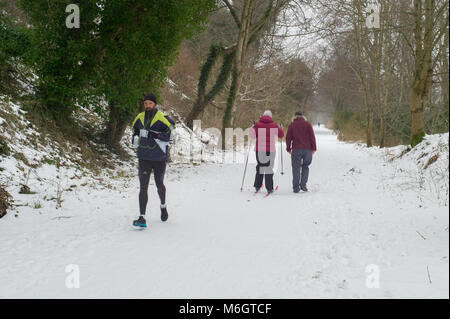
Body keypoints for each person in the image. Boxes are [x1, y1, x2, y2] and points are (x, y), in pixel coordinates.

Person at [131, 93, 175, 228]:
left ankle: (163, 205)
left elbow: (170, 136)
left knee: (159, 184)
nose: (147, 106)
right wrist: (135, 137)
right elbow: (135, 131)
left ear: (154, 104)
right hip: (144, 157)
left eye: (150, 103)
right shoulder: (139, 117)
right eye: (145, 103)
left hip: (158, 157)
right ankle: (142, 217)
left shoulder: (162, 118)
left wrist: (155, 134)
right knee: (143, 187)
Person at [250, 110, 284, 194]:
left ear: (263, 115)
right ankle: (269, 188)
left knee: (260, 166)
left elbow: (252, 136)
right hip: (270, 150)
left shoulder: (257, 125)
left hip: (259, 150)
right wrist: (280, 128)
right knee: (269, 167)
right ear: (271, 117)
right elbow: (281, 135)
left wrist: (252, 127)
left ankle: (257, 186)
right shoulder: (274, 125)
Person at [286, 111, 317, 193]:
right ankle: (303, 185)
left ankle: (296, 188)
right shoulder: (308, 124)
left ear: (295, 116)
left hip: (296, 149)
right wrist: (314, 148)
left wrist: (288, 148)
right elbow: (312, 137)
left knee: (296, 168)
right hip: (307, 149)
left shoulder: (292, 125)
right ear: (303, 116)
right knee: (305, 166)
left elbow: (288, 137)